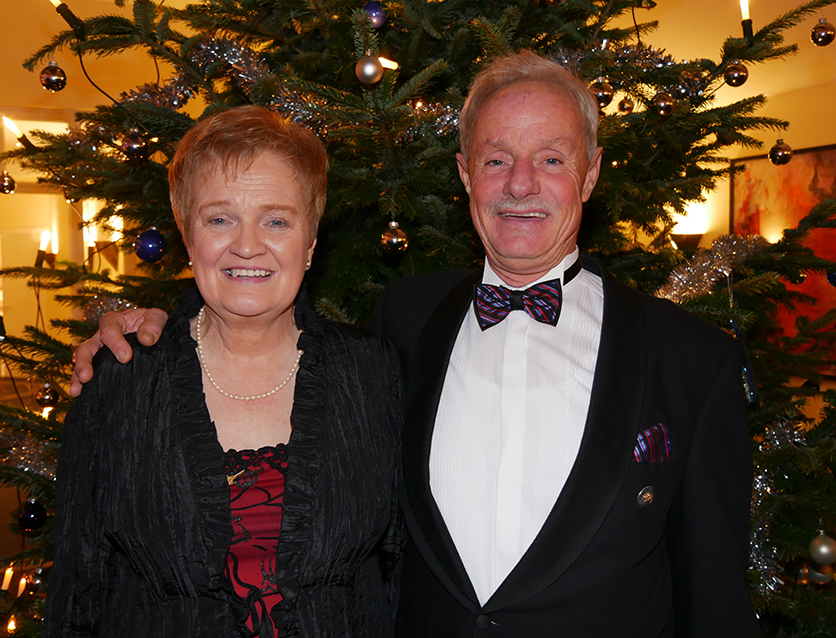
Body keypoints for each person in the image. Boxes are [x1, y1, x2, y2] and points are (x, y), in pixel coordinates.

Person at [71, 52, 760, 637]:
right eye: (496, 159)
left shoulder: (694, 361)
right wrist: (149, 325)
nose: (520, 184)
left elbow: (716, 599)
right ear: (464, 174)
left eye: (551, 158)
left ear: (591, 173)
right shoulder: (401, 323)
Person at [48, 106, 403, 638]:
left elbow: (399, 575)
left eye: (276, 220)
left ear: (309, 244)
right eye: (219, 219)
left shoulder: (372, 372)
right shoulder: (120, 378)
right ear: (189, 239)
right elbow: (78, 591)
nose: (247, 245)